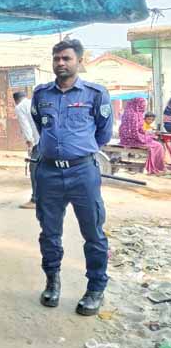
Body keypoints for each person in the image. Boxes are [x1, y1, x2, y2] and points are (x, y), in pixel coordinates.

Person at [31, 39, 113, 316]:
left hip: (83, 172)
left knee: (93, 233)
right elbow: (40, 126)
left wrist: (78, 151)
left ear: (79, 61)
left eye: (66, 58)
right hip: (48, 172)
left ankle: (96, 288)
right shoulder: (41, 94)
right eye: (56, 58)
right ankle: (52, 282)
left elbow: (103, 133)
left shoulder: (95, 94)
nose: (60, 63)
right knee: (49, 233)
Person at [119, 98, 166, 174]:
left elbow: (140, 129)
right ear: (138, 104)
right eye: (143, 105)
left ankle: (157, 167)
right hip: (130, 139)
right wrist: (146, 137)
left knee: (156, 142)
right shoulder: (133, 115)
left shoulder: (134, 113)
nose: (144, 106)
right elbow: (134, 133)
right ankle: (156, 167)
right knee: (158, 145)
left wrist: (149, 134)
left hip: (128, 138)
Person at [13, 91, 40, 209]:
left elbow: (26, 126)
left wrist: (29, 142)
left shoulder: (19, 107)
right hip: (47, 141)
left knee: (34, 169)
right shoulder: (33, 103)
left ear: (15, 100)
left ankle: (35, 200)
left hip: (38, 143)